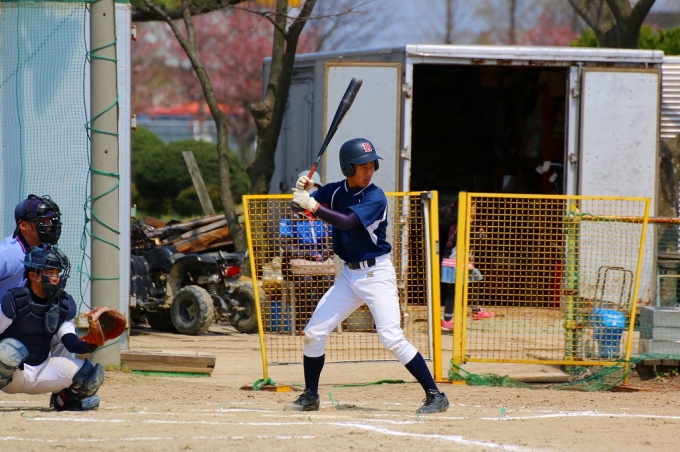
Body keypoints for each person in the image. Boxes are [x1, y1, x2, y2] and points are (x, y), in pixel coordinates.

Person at [285, 138, 449, 414]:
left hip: (376, 274)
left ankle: (436, 395)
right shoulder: (335, 191)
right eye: (362, 167)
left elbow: (347, 222)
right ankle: (310, 396)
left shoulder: (375, 196)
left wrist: (311, 204)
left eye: (372, 165)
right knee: (314, 333)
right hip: (348, 276)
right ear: (347, 168)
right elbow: (298, 207)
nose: (368, 171)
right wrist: (302, 193)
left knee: (391, 338)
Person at [0, 246, 103, 411]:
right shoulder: (14, 300)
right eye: (50, 273)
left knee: (90, 375)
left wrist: (90, 343)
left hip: (42, 373)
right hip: (12, 376)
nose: (56, 278)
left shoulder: (63, 304)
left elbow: (70, 341)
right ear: (33, 276)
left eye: (57, 273)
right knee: (9, 350)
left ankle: (63, 400)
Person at [279, 172, 334, 333]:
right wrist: (308, 254)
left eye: (315, 189)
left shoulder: (324, 213)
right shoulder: (290, 214)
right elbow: (285, 243)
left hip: (321, 261)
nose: (312, 193)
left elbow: (334, 240)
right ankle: (303, 323)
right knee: (306, 281)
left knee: (327, 281)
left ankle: (322, 323)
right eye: (309, 189)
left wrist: (325, 252)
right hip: (296, 263)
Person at [0, 195, 62, 296]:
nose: (49, 225)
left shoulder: (46, 250)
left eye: (50, 220)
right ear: (23, 225)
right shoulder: (5, 254)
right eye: (42, 221)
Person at [440, 200, 487, 332]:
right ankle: (448, 320)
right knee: (453, 292)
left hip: (461, 262)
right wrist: (478, 234)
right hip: (455, 262)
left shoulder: (464, 223)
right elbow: (464, 239)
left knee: (474, 281)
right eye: (474, 208)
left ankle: (475, 311)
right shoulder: (463, 223)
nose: (475, 211)